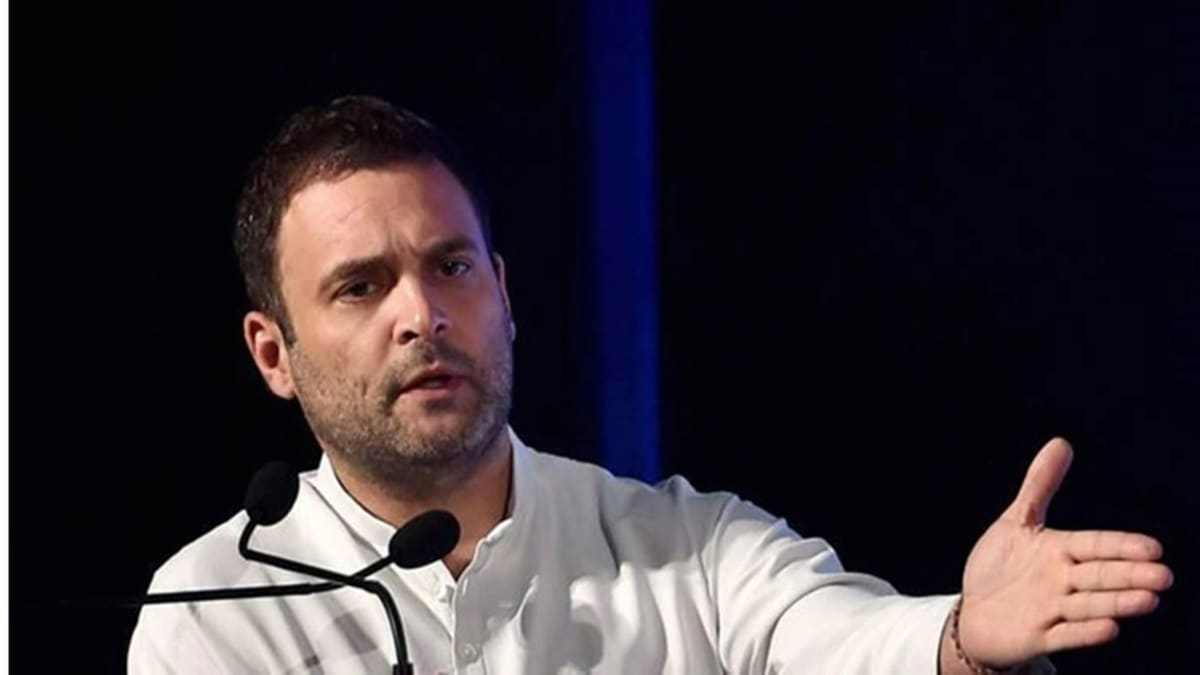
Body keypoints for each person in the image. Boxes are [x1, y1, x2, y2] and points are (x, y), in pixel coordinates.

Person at [127, 95, 1173, 674]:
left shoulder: (690, 549)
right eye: (361, 287)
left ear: (503, 292)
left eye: (450, 266)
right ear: (273, 354)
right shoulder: (215, 613)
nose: (422, 314)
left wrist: (960, 640)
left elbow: (843, 638)